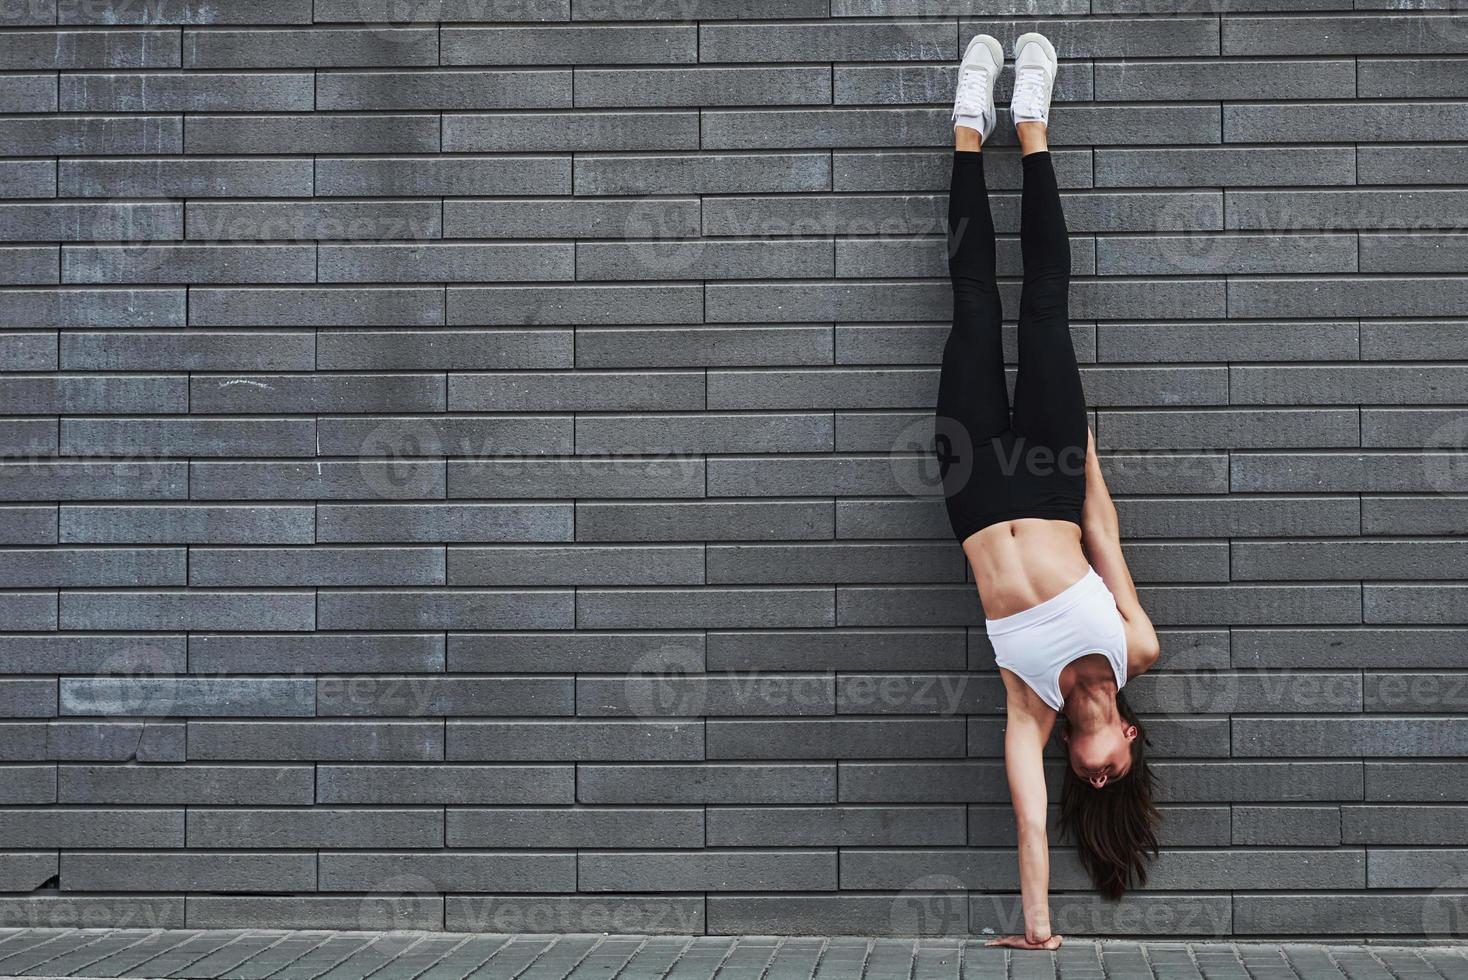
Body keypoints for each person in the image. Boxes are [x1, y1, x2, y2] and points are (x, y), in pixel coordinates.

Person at [933, 32, 1164, 950]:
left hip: (975, 484)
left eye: (1089, 781)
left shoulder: (1028, 707)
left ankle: (964, 125)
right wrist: (1080, 442)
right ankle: (1030, 123)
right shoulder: (1134, 644)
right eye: (1115, 778)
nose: (1096, 776)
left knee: (974, 303)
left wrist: (1039, 929)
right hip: (1057, 468)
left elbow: (1030, 824)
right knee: (1046, 305)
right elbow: (1102, 534)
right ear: (1131, 745)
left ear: (1075, 754)